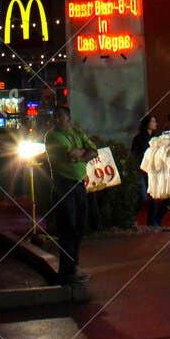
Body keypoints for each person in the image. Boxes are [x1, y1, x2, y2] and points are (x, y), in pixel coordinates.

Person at [44, 105, 99, 285]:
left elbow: (93, 151)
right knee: (68, 225)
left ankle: (73, 265)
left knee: (79, 225)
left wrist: (79, 156)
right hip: (63, 185)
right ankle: (67, 270)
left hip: (78, 184)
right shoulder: (52, 136)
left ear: (68, 118)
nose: (58, 119)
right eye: (56, 116)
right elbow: (68, 153)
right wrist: (81, 153)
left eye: (61, 116)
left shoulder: (77, 133)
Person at [131, 113, 165, 231]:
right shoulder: (139, 138)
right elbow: (134, 155)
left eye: (155, 121)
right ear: (147, 124)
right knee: (143, 196)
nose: (155, 124)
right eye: (153, 121)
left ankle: (153, 221)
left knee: (154, 197)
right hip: (142, 170)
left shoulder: (156, 138)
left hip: (154, 171)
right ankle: (133, 217)